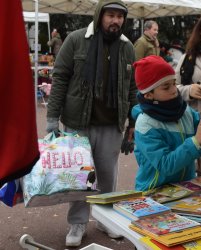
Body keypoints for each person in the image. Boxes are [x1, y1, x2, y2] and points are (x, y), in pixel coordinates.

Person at [46, 0, 137, 247]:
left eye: (120, 16)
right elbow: (60, 78)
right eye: (111, 15)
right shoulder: (76, 40)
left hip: (112, 124)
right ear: (99, 15)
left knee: (107, 176)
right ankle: (78, 223)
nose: (115, 21)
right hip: (78, 122)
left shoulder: (127, 47)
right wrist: (52, 119)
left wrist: (133, 123)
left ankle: (107, 220)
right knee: (80, 177)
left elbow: (132, 88)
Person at [131, 55, 201, 191]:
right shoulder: (145, 124)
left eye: (174, 83)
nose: (174, 90)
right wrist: (195, 142)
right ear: (148, 95)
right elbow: (165, 165)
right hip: (154, 191)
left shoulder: (185, 110)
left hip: (184, 189)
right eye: (166, 87)